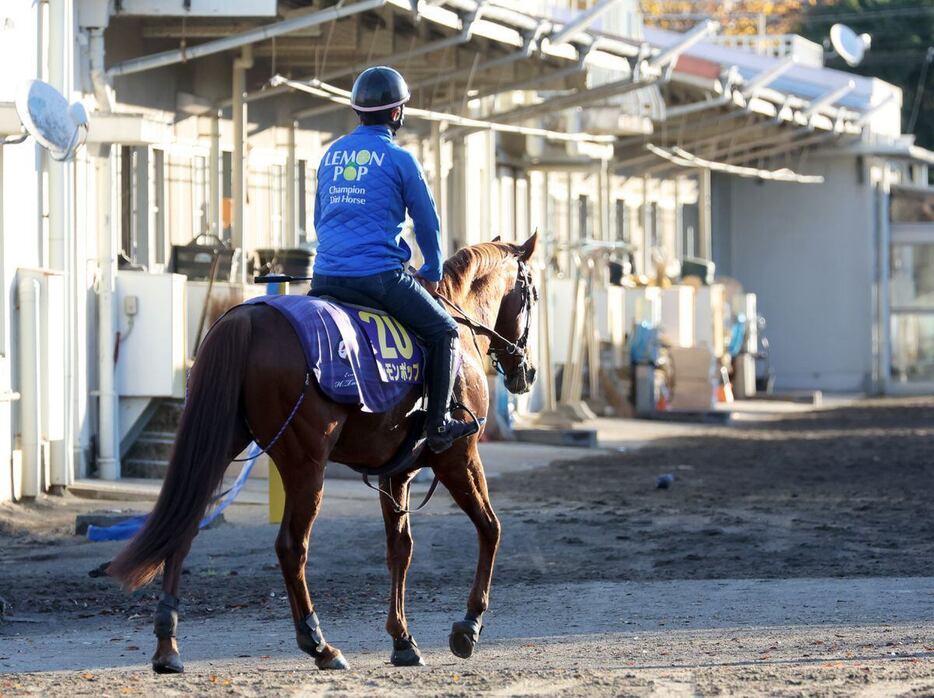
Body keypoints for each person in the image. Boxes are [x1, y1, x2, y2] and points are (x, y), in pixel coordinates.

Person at [311, 66, 478, 454]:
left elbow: (320, 217)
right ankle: (438, 425)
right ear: (397, 113)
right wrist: (433, 271)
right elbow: (427, 222)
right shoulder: (400, 159)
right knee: (444, 333)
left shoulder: (332, 154)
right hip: (378, 279)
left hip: (324, 278)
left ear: (357, 111)